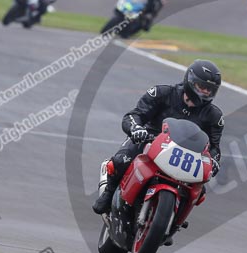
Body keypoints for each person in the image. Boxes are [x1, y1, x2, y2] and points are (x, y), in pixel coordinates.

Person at [92, 59, 224, 214]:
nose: (205, 92)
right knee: (121, 161)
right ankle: (109, 193)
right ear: (190, 81)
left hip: (185, 154)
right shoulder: (162, 93)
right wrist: (136, 129)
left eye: (209, 89)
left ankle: (172, 225)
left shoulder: (214, 116)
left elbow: (214, 146)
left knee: (199, 192)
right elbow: (134, 115)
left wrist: (214, 160)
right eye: (202, 87)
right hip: (150, 140)